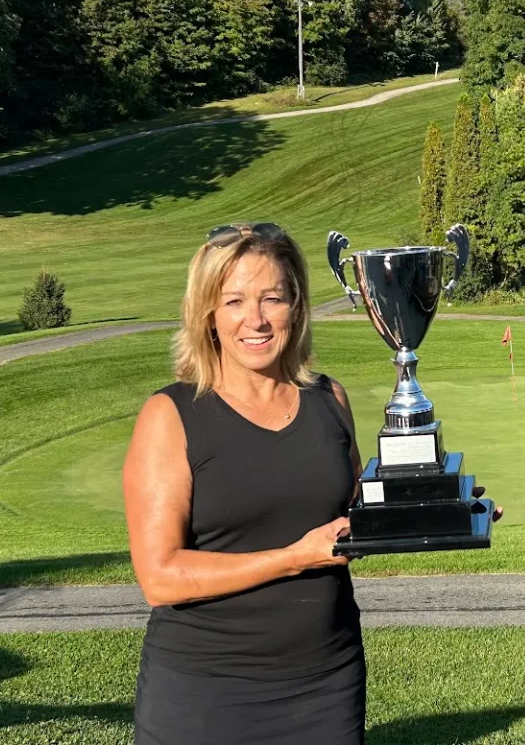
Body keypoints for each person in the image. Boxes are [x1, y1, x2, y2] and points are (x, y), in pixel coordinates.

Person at [123, 221, 499, 744]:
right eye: (234, 301)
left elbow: (350, 522)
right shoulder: (171, 416)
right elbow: (159, 577)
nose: (254, 319)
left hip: (326, 684)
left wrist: (435, 500)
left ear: (296, 306)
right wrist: (291, 557)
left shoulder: (329, 400)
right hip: (205, 694)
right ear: (208, 314)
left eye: (271, 298)